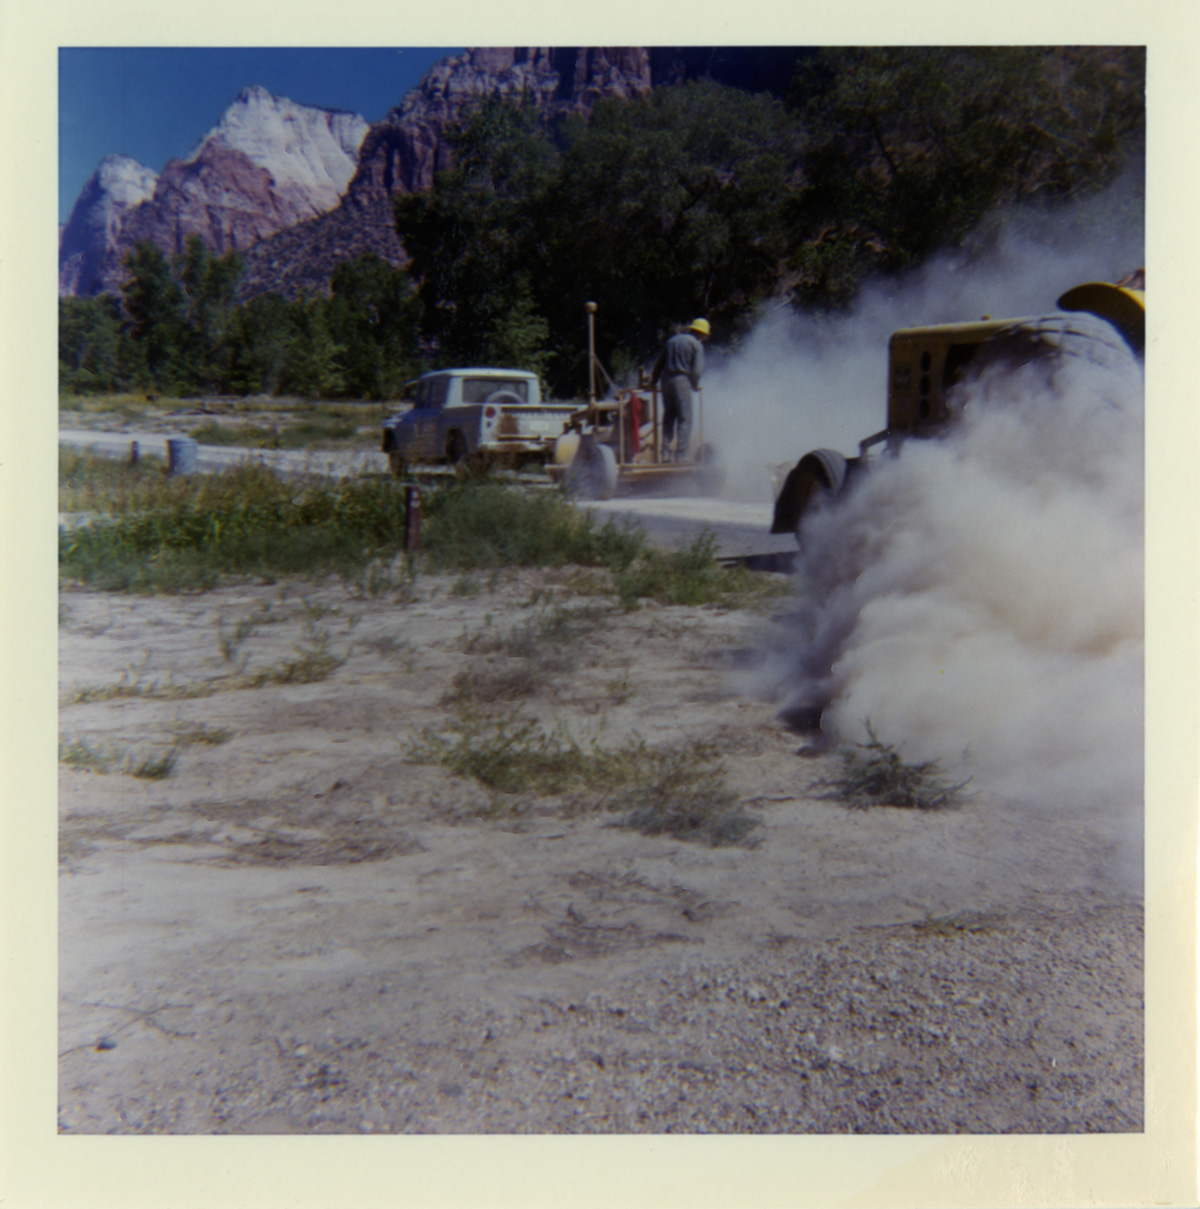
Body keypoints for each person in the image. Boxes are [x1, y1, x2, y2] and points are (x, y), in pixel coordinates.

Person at [650, 318, 709, 460]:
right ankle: (681, 455)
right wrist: (694, 384)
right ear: (701, 333)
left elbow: (659, 364)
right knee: (685, 418)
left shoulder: (672, 341)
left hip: (666, 381)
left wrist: (653, 381)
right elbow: (696, 371)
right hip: (682, 382)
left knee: (669, 417)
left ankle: (665, 454)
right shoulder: (696, 345)